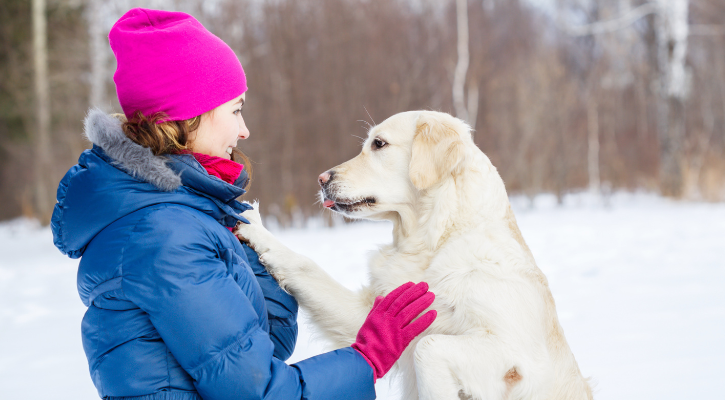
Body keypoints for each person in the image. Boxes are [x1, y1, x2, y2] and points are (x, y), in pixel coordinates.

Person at [50, 8, 436, 400]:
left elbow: (263, 343)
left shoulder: (181, 215)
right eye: (235, 110)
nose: (244, 130)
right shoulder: (163, 235)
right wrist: (369, 356)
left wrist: (251, 249)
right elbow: (259, 392)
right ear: (189, 116)